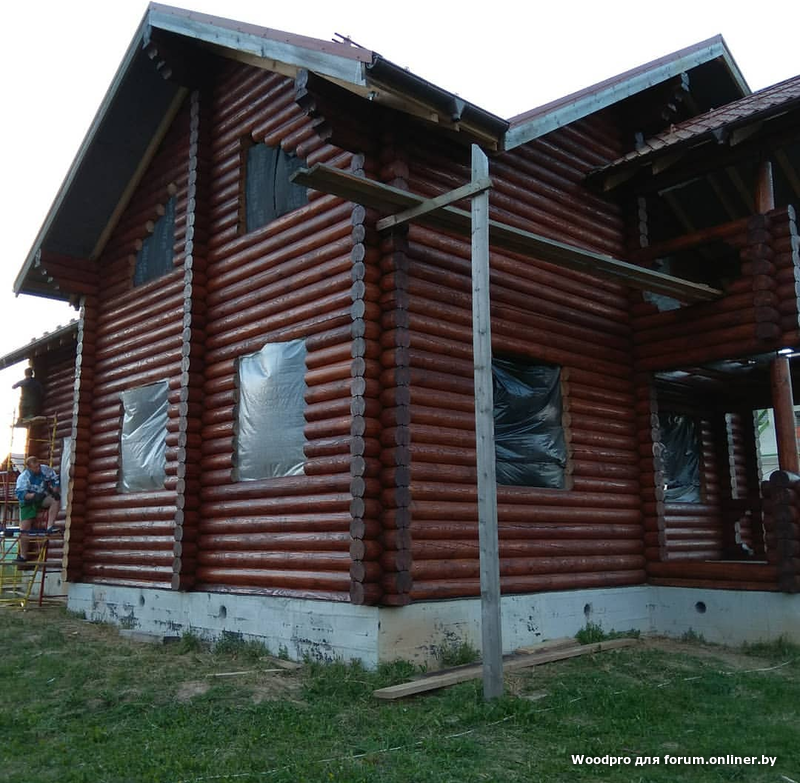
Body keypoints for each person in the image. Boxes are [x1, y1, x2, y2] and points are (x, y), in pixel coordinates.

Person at [14, 456, 60, 563]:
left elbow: (55, 479)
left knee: (55, 499)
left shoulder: (45, 470)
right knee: (25, 529)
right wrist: (34, 496)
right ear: (29, 468)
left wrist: (55, 491)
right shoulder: (23, 477)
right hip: (28, 502)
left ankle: (50, 526)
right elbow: (22, 495)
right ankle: (23, 556)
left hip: (42, 498)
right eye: (35, 467)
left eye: (38, 465)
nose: (38, 469)